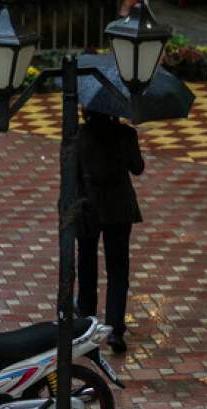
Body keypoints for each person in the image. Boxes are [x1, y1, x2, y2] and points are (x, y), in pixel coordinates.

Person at [75, 110, 144, 354]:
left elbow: (71, 174)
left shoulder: (79, 136)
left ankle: (85, 324)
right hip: (119, 208)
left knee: (86, 265)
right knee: (117, 269)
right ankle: (115, 330)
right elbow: (137, 168)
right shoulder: (125, 134)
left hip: (88, 207)